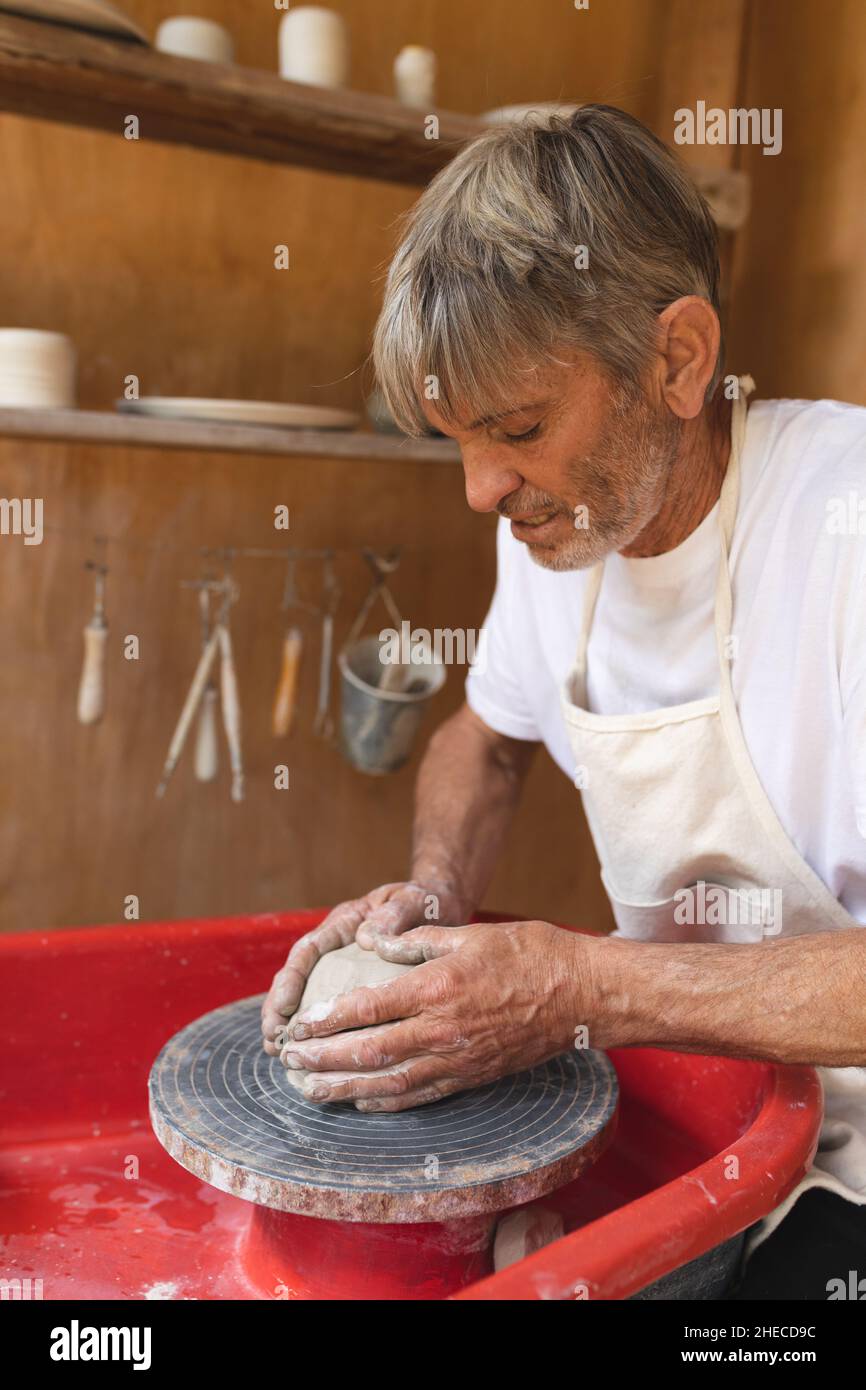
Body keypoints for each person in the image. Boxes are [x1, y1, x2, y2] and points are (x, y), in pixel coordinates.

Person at [261, 105, 866, 1294]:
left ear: (678, 360)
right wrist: (431, 898)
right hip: (704, 1102)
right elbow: (481, 744)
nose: (482, 490)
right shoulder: (560, 530)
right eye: (454, 442)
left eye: (518, 430)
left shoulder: (839, 527)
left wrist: (578, 985)